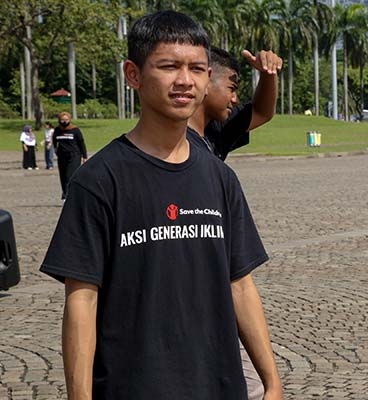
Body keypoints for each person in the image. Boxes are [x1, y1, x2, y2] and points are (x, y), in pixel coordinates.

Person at [39, 10, 283, 400]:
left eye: (197, 69)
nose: (184, 80)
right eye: (168, 66)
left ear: (206, 80)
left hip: (218, 383)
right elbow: (81, 300)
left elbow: (240, 283)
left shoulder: (220, 179)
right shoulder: (100, 180)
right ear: (133, 74)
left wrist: (272, 381)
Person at [187, 46, 282, 400]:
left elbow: (261, 111)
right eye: (231, 84)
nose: (235, 95)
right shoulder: (172, 146)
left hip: (218, 301)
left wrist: (268, 77)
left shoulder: (215, 133)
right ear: (204, 79)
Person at [187, 46, 281, 161]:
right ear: (205, 80)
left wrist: (269, 72)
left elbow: (261, 112)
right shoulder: (172, 137)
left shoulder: (218, 129)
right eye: (232, 88)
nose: (235, 99)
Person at [53, 111, 87, 199]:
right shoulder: (57, 130)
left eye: (66, 120)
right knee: (63, 175)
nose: (64, 122)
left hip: (74, 155)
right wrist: (56, 149)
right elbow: (54, 140)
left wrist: (84, 156)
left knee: (70, 175)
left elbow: (81, 143)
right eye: (62, 120)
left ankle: (70, 194)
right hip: (62, 156)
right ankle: (65, 193)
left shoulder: (75, 130)